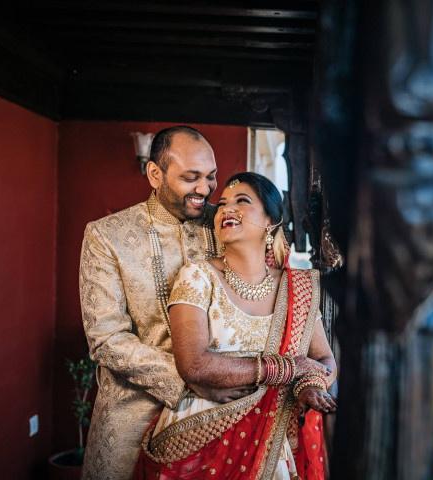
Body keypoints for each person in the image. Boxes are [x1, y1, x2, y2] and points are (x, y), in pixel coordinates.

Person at [134, 172, 337, 480]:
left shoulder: (298, 288)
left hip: (275, 440)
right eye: (223, 203)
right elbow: (194, 364)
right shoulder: (198, 276)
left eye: (242, 201)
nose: (226, 209)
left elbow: (323, 361)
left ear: (271, 221)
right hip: (203, 433)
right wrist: (287, 369)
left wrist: (309, 385)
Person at [80, 126, 247, 480]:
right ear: (155, 174)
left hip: (220, 415)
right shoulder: (106, 236)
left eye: (211, 177)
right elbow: (106, 339)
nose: (205, 189)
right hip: (131, 419)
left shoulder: (227, 225)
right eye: (191, 177)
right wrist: (192, 377)